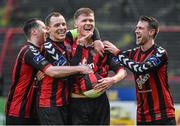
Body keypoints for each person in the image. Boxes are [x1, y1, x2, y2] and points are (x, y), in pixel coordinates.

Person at [5, 18, 92, 125]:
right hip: (18, 111)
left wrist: (96, 39)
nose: (47, 30)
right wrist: (80, 68)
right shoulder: (28, 50)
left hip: (34, 110)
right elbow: (52, 71)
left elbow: (78, 30)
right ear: (34, 32)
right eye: (44, 28)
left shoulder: (43, 49)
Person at [103, 16, 176, 125]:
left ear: (151, 32)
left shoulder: (160, 53)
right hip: (142, 118)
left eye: (141, 28)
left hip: (163, 116)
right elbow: (113, 59)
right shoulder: (133, 53)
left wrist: (117, 52)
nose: (136, 31)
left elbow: (140, 69)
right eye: (136, 28)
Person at [36, 12, 102, 125]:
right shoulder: (49, 47)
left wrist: (97, 39)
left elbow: (89, 28)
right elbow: (70, 70)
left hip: (65, 102)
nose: (62, 28)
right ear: (48, 29)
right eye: (57, 25)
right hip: (50, 104)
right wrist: (80, 47)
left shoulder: (67, 37)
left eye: (63, 24)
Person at [68, 7, 127, 125]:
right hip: (76, 102)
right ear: (75, 24)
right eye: (84, 20)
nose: (88, 23)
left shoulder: (103, 48)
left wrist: (113, 79)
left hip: (101, 102)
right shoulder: (67, 45)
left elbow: (122, 70)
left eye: (91, 20)